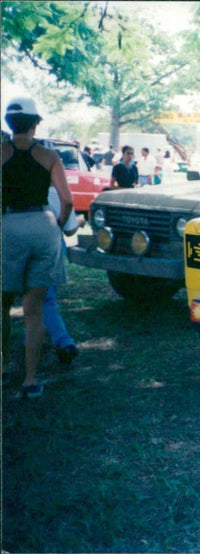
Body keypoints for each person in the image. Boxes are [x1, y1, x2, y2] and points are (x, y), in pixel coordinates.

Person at [2, 96, 73, 399]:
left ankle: (4, 369)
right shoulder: (49, 155)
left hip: (8, 226)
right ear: (34, 123)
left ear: (9, 124)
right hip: (43, 226)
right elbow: (68, 200)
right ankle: (31, 380)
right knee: (34, 311)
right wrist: (58, 223)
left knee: (3, 307)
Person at [43, 186, 83, 364]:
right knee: (46, 299)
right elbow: (70, 230)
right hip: (51, 243)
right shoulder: (56, 193)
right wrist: (80, 221)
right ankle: (63, 341)